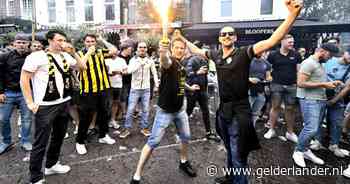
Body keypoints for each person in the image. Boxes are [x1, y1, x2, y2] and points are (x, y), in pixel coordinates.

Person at [179, 1, 303, 183]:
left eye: (231, 33)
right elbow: (198, 51)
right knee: (229, 148)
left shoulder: (244, 53)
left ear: (235, 38)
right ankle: (231, 178)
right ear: (220, 38)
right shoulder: (216, 55)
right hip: (223, 111)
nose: (227, 36)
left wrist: (292, 15)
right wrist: (182, 39)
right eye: (224, 34)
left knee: (239, 156)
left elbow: (272, 40)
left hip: (239, 111)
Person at [129, 38, 199, 184]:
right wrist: (163, 51)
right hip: (165, 111)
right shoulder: (170, 62)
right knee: (153, 142)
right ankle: (137, 175)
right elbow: (165, 61)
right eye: (177, 48)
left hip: (180, 109)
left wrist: (190, 88)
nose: (180, 50)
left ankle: (184, 162)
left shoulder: (181, 65)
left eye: (182, 48)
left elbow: (180, 80)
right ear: (172, 49)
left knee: (186, 137)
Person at [20, 29, 85, 184]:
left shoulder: (65, 56)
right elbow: (24, 79)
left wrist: (74, 52)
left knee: (59, 136)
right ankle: (35, 177)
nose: (63, 43)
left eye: (64, 40)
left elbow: (82, 67)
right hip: (45, 106)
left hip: (63, 103)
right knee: (40, 142)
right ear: (50, 40)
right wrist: (30, 102)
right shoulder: (36, 56)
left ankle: (51, 164)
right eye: (59, 40)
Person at [292, 43, 341, 167]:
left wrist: (330, 83)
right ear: (323, 51)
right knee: (311, 128)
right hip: (309, 100)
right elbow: (300, 83)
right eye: (330, 55)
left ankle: (305, 149)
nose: (330, 58)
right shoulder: (309, 63)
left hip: (319, 99)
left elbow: (316, 80)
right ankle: (298, 151)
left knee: (315, 128)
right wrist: (324, 85)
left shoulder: (319, 63)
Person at [75, 34, 117, 155]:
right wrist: (89, 52)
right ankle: (80, 141)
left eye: (93, 41)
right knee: (86, 117)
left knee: (104, 113)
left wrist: (102, 40)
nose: (90, 43)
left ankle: (103, 135)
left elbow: (114, 50)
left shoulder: (100, 51)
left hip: (103, 88)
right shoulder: (79, 54)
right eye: (88, 41)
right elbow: (79, 67)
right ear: (84, 42)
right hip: (88, 91)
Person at [263, 34, 302, 143]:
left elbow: (298, 70)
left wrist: (298, 84)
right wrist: (268, 76)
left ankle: (290, 132)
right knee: (275, 107)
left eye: (293, 42)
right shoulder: (273, 54)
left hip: (292, 85)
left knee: (290, 108)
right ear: (282, 42)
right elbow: (267, 68)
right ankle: (271, 130)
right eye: (290, 42)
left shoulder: (296, 54)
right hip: (276, 84)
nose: (292, 44)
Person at [0, 33, 32, 154]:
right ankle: (6, 142)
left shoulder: (31, 57)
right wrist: (0, 92)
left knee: (27, 119)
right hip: (8, 92)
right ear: (14, 44)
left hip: (26, 92)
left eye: (24, 43)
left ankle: (26, 141)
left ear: (28, 44)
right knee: (3, 119)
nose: (21, 45)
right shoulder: (5, 56)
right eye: (19, 42)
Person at [119, 42, 159, 138]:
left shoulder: (150, 60)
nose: (142, 49)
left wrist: (156, 85)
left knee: (145, 109)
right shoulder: (133, 60)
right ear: (137, 49)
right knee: (130, 109)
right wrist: (140, 63)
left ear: (146, 49)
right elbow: (129, 71)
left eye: (144, 47)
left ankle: (144, 128)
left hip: (146, 89)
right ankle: (127, 129)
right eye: (140, 47)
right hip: (135, 89)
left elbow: (154, 73)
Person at [184, 54, 220, 142]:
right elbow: (187, 73)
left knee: (206, 111)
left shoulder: (205, 61)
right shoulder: (191, 60)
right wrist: (197, 72)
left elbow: (206, 74)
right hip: (192, 90)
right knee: (188, 111)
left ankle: (208, 132)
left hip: (202, 90)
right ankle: (181, 130)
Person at [248, 52, 272, 126]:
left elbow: (268, 76)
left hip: (260, 90)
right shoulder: (247, 61)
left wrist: (269, 79)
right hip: (247, 90)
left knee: (255, 113)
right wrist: (249, 79)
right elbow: (238, 74)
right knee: (245, 113)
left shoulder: (266, 63)